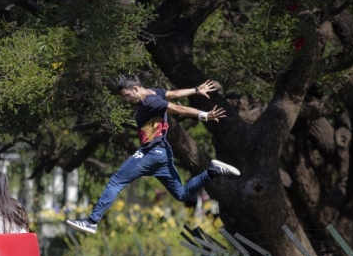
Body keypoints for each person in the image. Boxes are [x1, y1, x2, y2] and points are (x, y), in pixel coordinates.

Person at [66, 75, 240, 234]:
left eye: (127, 95)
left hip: (150, 152)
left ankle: (92, 221)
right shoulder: (153, 93)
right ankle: (212, 171)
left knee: (116, 181)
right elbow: (175, 93)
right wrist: (195, 90)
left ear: (136, 89)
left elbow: (177, 108)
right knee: (181, 194)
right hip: (163, 154)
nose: (127, 100)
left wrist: (204, 115)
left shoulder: (150, 102)